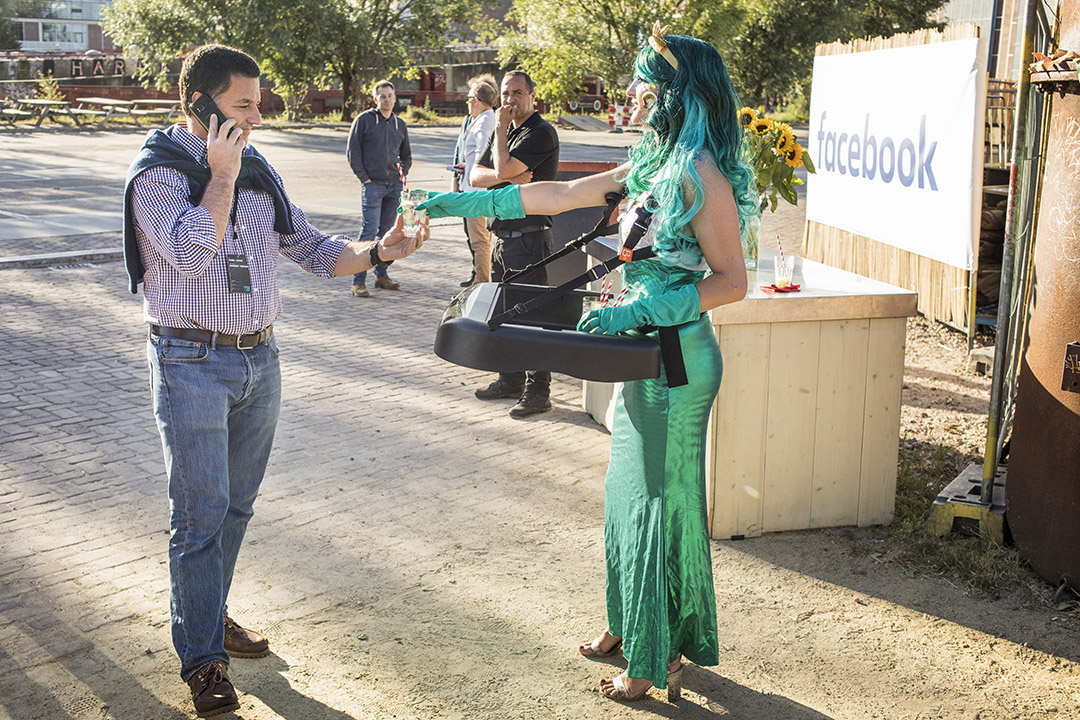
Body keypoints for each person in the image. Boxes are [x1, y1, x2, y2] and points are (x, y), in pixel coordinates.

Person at [418, 24, 756, 702]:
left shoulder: (700, 173)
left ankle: (654, 658)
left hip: (676, 359)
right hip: (641, 353)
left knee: (661, 503)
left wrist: (643, 310)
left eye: (644, 84)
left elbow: (733, 281)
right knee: (626, 493)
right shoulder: (659, 159)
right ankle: (628, 622)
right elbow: (557, 195)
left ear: (674, 93)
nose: (633, 94)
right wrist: (470, 201)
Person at [122, 44, 426, 718]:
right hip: (189, 363)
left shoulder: (256, 169)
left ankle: (210, 612)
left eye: (257, 104)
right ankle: (203, 661)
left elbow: (313, 250)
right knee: (198, 517)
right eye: (241, 106)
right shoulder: (159, 178)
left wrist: (383, 249)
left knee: (233, 509)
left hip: (262, 361)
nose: (256, 118)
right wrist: (220, 175)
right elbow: (194, 247)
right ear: (196, 103)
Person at [470, 70, 560, 418]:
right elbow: (476, 176)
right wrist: (502, 175)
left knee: (534, 315)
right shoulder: (506, 131)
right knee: (503, 312)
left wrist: (502, 158)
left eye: (517, 93)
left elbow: (504, 164)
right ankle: (510, 379)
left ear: (532, 96)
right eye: (505, 93)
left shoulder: (540, 132)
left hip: (530, 238)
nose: (509, 100)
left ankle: (539, 391)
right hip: (502, 238)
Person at [346, 79, 412, 297]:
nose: (386, 99)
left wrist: (401, 177)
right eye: (382, 96)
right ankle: (358, 281)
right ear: (375, 99)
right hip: (372, 185)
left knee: (387, 234)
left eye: (390, 95)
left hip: (394, 186)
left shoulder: (399, 124)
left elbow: (406, 156)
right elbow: (353, 153)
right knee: (368, 232)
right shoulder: (364, 121)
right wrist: (365, 179)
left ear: (395, 97)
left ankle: (381, 275)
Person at [452, 74, 498, 286]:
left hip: (476, 192)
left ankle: (481, 286)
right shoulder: (483, 119)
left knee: (480, 241)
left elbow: (485, 152)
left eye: (469, 98)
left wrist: (474, 170)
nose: (467, 103)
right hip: (475, 188)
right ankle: (481, 282)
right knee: (481, 241)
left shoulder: (484, 122)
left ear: (477, 100)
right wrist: (467, 166)